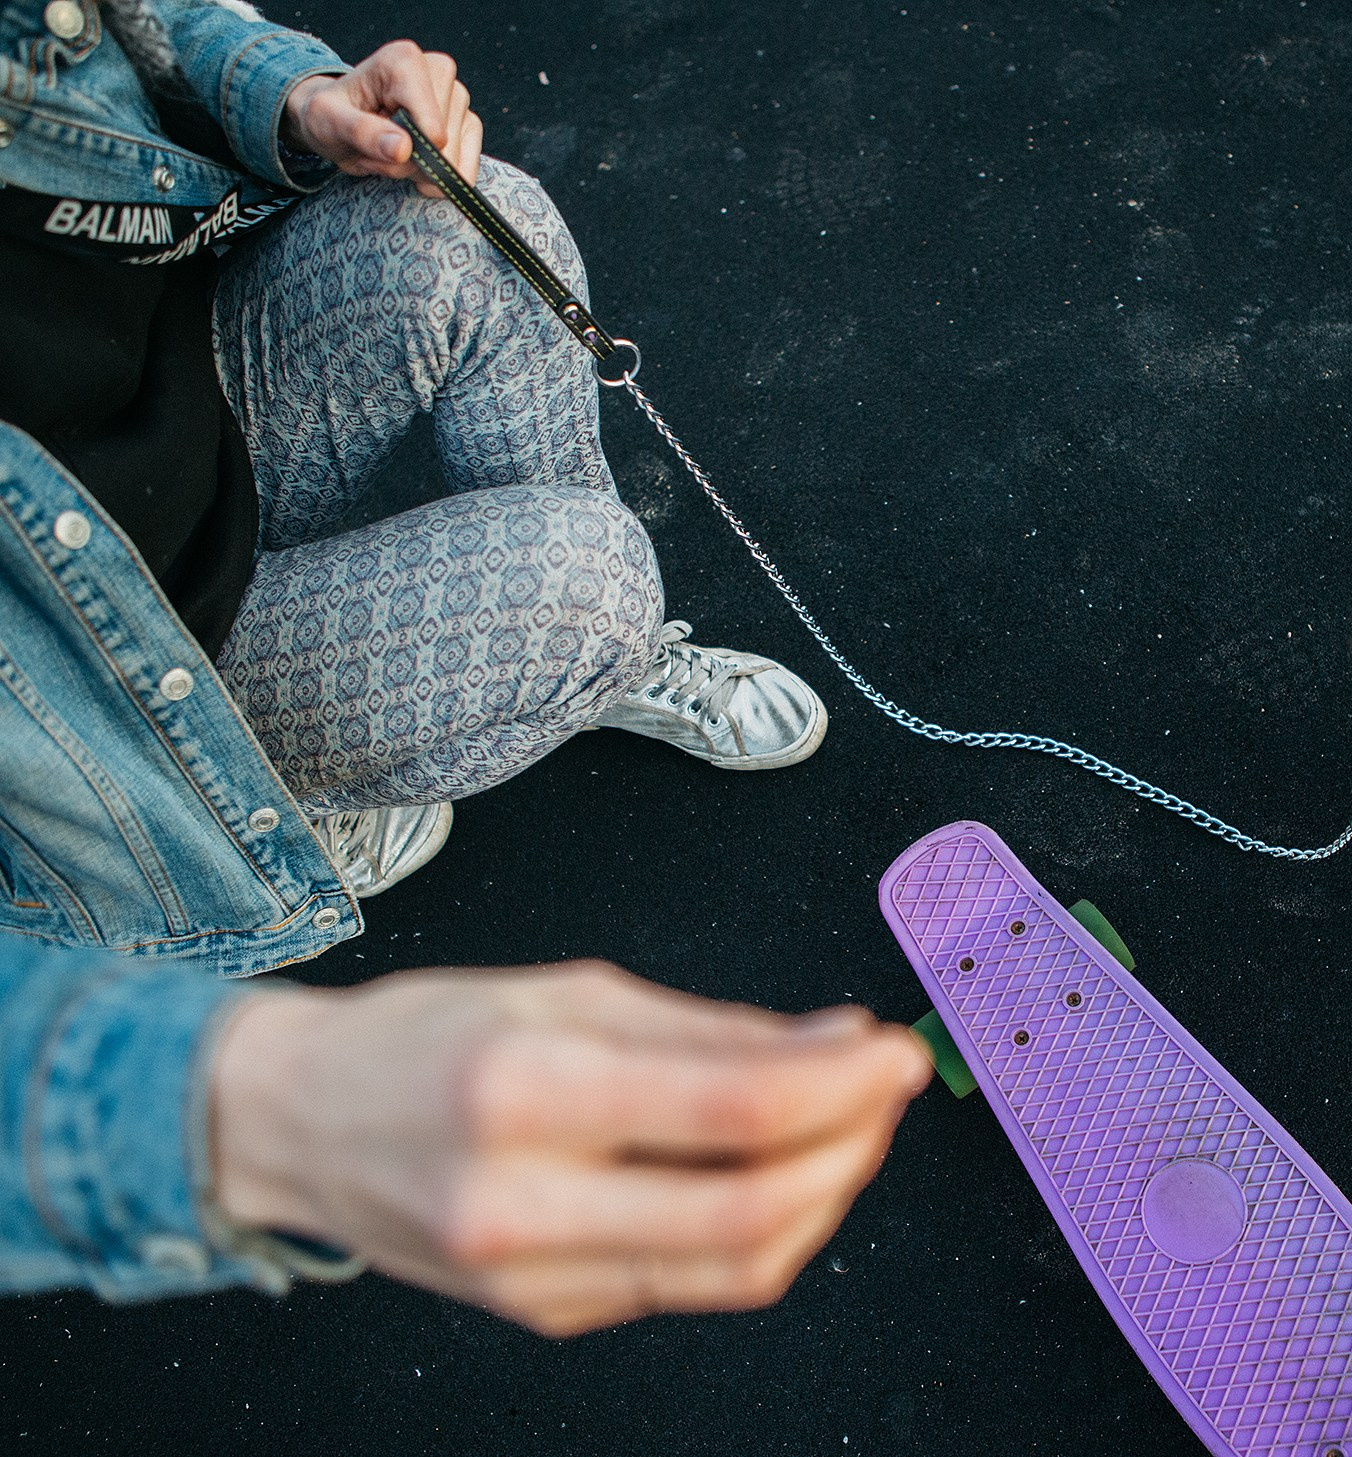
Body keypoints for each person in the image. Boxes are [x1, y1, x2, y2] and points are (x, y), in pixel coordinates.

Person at [0, 3, 922, 1326]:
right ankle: (307, 794)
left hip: (190, 387)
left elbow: (137, 22)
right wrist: (243, 1103)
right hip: (126, 690)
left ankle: (575, 665)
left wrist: (298, 96)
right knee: (589, 585)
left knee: (481, 214)